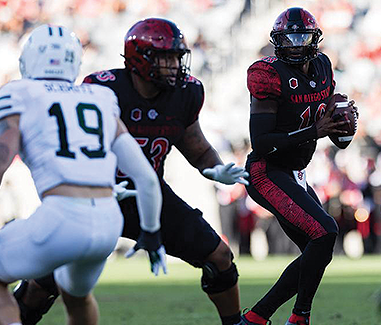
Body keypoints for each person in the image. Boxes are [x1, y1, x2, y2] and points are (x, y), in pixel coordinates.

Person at [14, 18, 248, 325]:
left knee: (219, 257)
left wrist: (216, 169)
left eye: (177, 57)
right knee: (44, 284)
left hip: (147, 195)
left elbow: (198, 148)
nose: (174, 66)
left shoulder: (185, 93)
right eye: (165, 57)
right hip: (94, 195)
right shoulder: (103, 89)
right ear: (139, 59)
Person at [0, 24, 164, 325]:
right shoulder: (99, 97)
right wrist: (151, 233)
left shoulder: (19, 92)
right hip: (107, 223)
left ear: (28, 61)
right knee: (77, 298)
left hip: (61, 215)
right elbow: (146, 177)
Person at [239, 7, 357, 325]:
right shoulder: (267, 74)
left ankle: (256, 318)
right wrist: (314, 131)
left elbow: (335, 132)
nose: (294, 43)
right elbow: (261, 142)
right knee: (325, 232)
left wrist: (341, 118)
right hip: (266, 170)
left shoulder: (322, 66)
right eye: (288, 37)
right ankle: (296, 317)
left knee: (319, 248)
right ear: (277, 41)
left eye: (301, 36)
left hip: (294, 172)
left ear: (314, 39)